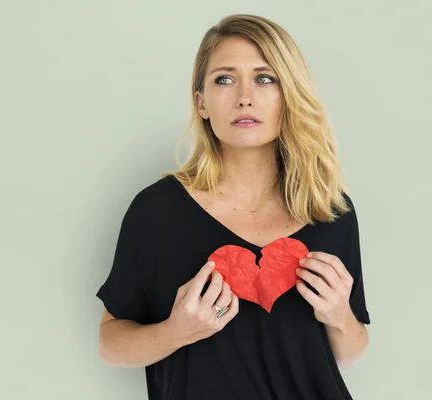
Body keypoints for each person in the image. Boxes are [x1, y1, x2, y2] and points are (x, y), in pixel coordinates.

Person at [96, 13, 371, 400]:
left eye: (265, 78)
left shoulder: (329, 210)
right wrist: (175, 331)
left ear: (288, 94)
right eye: (224, 79)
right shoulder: (156, 212)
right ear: (202, 102)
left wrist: (339, 315)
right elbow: (110, 343)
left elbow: (351, 351)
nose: (245, 96)